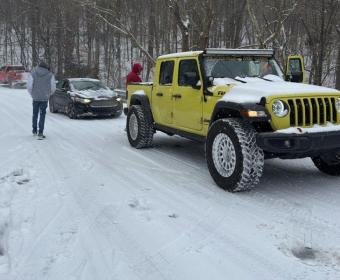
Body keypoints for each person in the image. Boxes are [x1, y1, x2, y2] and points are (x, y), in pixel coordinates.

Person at [27, 61, 56, 139]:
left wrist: (32, 94)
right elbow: (53, 87)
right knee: (42, 114)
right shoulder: (50, 75)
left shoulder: (33, 73)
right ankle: (40, 132)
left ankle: (34, 130)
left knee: (35, 114)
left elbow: (29, 86)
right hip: (44, 97)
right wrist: (49, 94)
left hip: (35, 97)